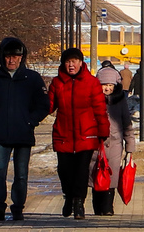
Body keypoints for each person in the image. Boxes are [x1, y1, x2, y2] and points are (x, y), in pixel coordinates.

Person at [0, 38, 48, 221]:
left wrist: (30, 121)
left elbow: (43, 104)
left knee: (21, 173)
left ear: (21, 57)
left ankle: (18, 207)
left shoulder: (32, 79)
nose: (12, 60)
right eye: (8, 57)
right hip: (1, 134)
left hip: (24, 133)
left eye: (16, 57)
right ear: (2, 57)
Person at [48, 47, 107, 219]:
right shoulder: (57, 83)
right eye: (67, 62)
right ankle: (69, 197)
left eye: (74, 61)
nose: (71, 65)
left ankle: (79, 203)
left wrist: (103, 131)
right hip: (63, 134)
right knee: (64, 171)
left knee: (82, 171)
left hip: (86, 134)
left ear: (81, 63)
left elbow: (100, 109)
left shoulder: (91, 83)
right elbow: (49, 106)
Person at [92, 65, 138, 216]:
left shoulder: (120, 102)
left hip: (115, 145)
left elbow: (127, 125)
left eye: (110, 85)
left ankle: (108, 207)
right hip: (96, 145)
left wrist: (130, 148)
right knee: (96, 176)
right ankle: (98, 207)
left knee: (111, 177)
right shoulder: (92, 101)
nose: (107, 89)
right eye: (104, 85)